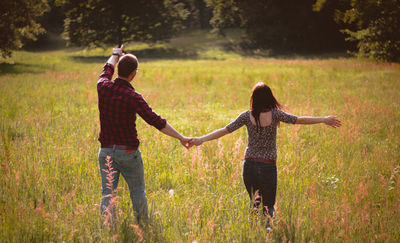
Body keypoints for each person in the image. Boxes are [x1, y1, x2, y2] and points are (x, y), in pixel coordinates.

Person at [190, 82, 341, 229]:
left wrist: (201, 139)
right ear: (270, 98)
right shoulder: (275, 114)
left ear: (253, 99)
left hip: (249, 165)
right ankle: (268, 231)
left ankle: (255, 232)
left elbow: (225, 130)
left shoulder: (246, 116)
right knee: (268, 205)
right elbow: (299, 119)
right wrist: (323, 119)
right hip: (267, 165)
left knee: (255, 202)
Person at [97, 45, 191, 224]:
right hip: (128, 153)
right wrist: (181, 137)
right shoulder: (133, 97)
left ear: (118, 69)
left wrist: (115, 54)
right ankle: (142, 227)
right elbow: (156, 121)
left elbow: (107, 68)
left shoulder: (102, 86)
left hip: (106, 151)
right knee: (138, 192)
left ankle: (107, 230)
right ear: (133, 74)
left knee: (107, 193)